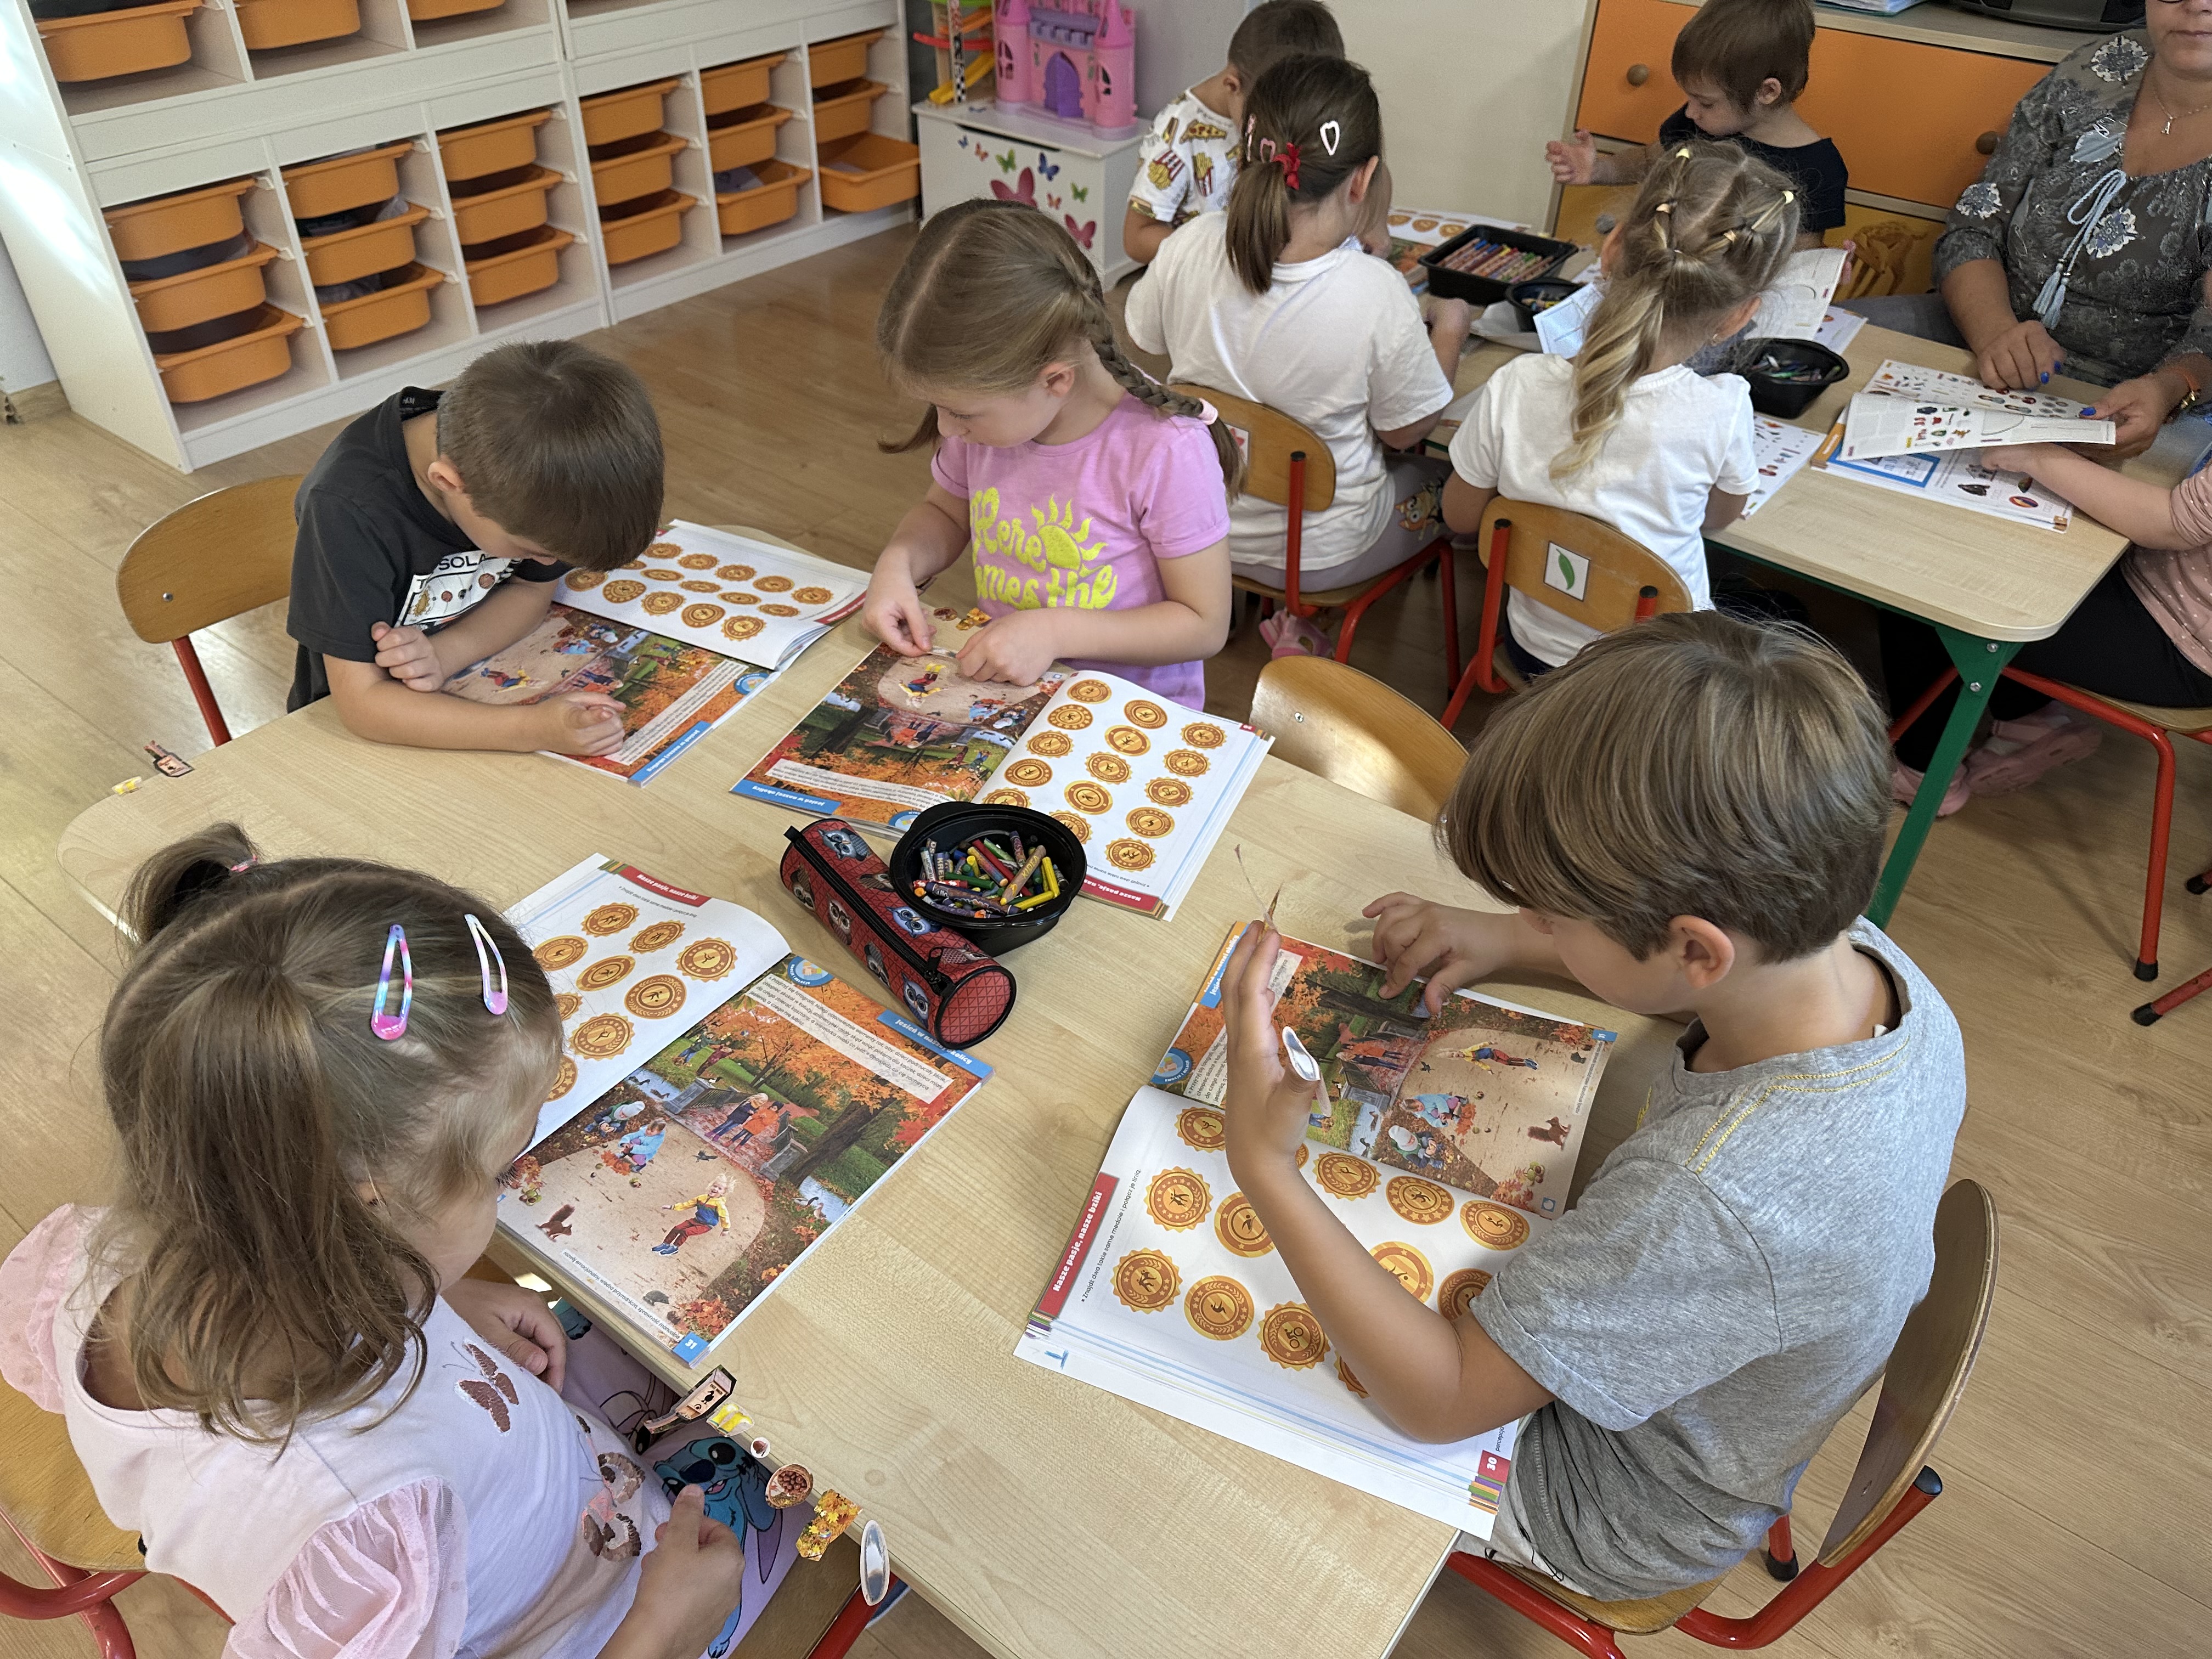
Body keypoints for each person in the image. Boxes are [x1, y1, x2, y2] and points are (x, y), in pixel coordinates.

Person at [1217, 612, 1966, 1601]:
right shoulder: (1862, 959)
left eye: (1552, 915)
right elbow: (1681, 972)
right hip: (1690, 1363)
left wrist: (1263, 1164)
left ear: (1695, 949)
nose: (1535, 924)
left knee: (1215, 1402)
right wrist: (1502, 939)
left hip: (1600, 1498)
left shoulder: (1711, 1196)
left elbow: (1439, 1400)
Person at [0, 826, 755, 1659]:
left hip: (547, 1482)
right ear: (369, 1205)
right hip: (591, 1622)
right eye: (502, 1169)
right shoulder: (357, 1524)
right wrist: (658, 1635)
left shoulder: (94, 1256)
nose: (510, 1184)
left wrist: (432, 1297)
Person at [1125, 54, 1466, 659]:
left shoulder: (1189, 245)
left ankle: (1289, 622)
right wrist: (1452, 333)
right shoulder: (1377, 292)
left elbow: (1145, 338)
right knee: (1443, 481)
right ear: (1363, 181)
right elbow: (1405, 430)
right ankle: (1309, 625)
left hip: (1194, 532)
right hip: (1320, 556)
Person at [862, 200, 1240, 710]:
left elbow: (1204, 624)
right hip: (1012, 691)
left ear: (1055, 381)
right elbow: (944, 513)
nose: (947, 430)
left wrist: (1054, 632)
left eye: (961, 413)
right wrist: (899, 563)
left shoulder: (1166, 450)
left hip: (1128, 715)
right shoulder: (985, 427)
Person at [1443, 141, 1795, 673]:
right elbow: (1717, 519)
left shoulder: (1517, 384)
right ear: (1739, 316)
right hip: (1650, 682)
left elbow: (1461, 516)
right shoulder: (1720, 411)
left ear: (1610, 251)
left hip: (1534, 654)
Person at [1854, 16, 2212, 460]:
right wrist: (1996, 334)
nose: (2197, 6)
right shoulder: (2100, 67)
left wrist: (2171, 387)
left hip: (2136, 395)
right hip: (1977, 326)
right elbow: (1976, 222)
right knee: (1809, 350)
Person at [288, 340, 664, 754]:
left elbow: (532, 589)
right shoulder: (347, 510)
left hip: (459, 682)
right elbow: (362, 704)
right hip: (358, 738)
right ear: (448, 483)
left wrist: (444, 653)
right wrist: (532, 730)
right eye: (531, 550)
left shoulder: (509, 453)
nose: (549, 563)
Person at [1881, 441, 2212, 808]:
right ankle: (2027, 717)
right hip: (2164, 584)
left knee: (1923, 586)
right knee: (2012, 543)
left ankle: (1922, 772)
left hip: (2180, 641)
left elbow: (2171, 522)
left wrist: (2034, 454)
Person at [1546, 0, 1843, 251]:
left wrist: (1825, 269)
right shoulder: (1702, 124)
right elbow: (1652, 160)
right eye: (1690, 98)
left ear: (1767, 92)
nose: (1690, 112)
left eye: (1706, 103)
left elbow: (1803, 256)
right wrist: (1599, 170)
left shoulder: (1819, 168)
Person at [1122, 0, 1344, 266]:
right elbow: (1137, 238)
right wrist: (1223, 254)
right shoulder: (1178, 134)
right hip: (1208, 278)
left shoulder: (1300, 112)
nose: (1284, 131)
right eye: (1269, 117)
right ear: (1233, 86)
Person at [655, 1179, 732, 1255]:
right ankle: (666, 1244)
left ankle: (675, 1247)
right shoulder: (702, 1198)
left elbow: (724, 1216)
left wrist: (726, 1229)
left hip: (706, 1225)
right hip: (696, 1220)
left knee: (686, 1232)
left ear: (723, 1193)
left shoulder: (720, 1204)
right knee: (677, 1228)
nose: (716, 1189)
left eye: (720, 1189)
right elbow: (688, 1204)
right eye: (715, 1186)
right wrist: (672, 1207)